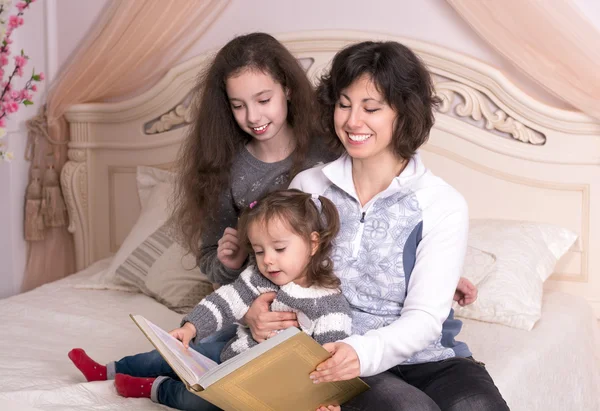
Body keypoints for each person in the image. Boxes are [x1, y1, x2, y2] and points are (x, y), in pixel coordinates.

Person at [242, 41, 507, 411]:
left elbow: (426, 318)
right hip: (334, 350)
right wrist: (254, 310)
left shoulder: (441, 203)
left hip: (428, 357)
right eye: (344, 104)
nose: (352, 122)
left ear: (404, 113)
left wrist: (363, 352)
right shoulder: (309, 187)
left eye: (371, 108)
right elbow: (274, 270)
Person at [68, 189, 351, 411]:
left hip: (264, 387)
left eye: (279, 248)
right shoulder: (258, 278)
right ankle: (108, 370)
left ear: (314, 243)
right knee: (176, 352)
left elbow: (329, 358)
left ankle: (155, 388)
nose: (268, 260)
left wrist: (324, 400)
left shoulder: (329, 304)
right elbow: (224, 301)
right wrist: (190, 328)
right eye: (259, 251)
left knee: (199, 401)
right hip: (232, 353)